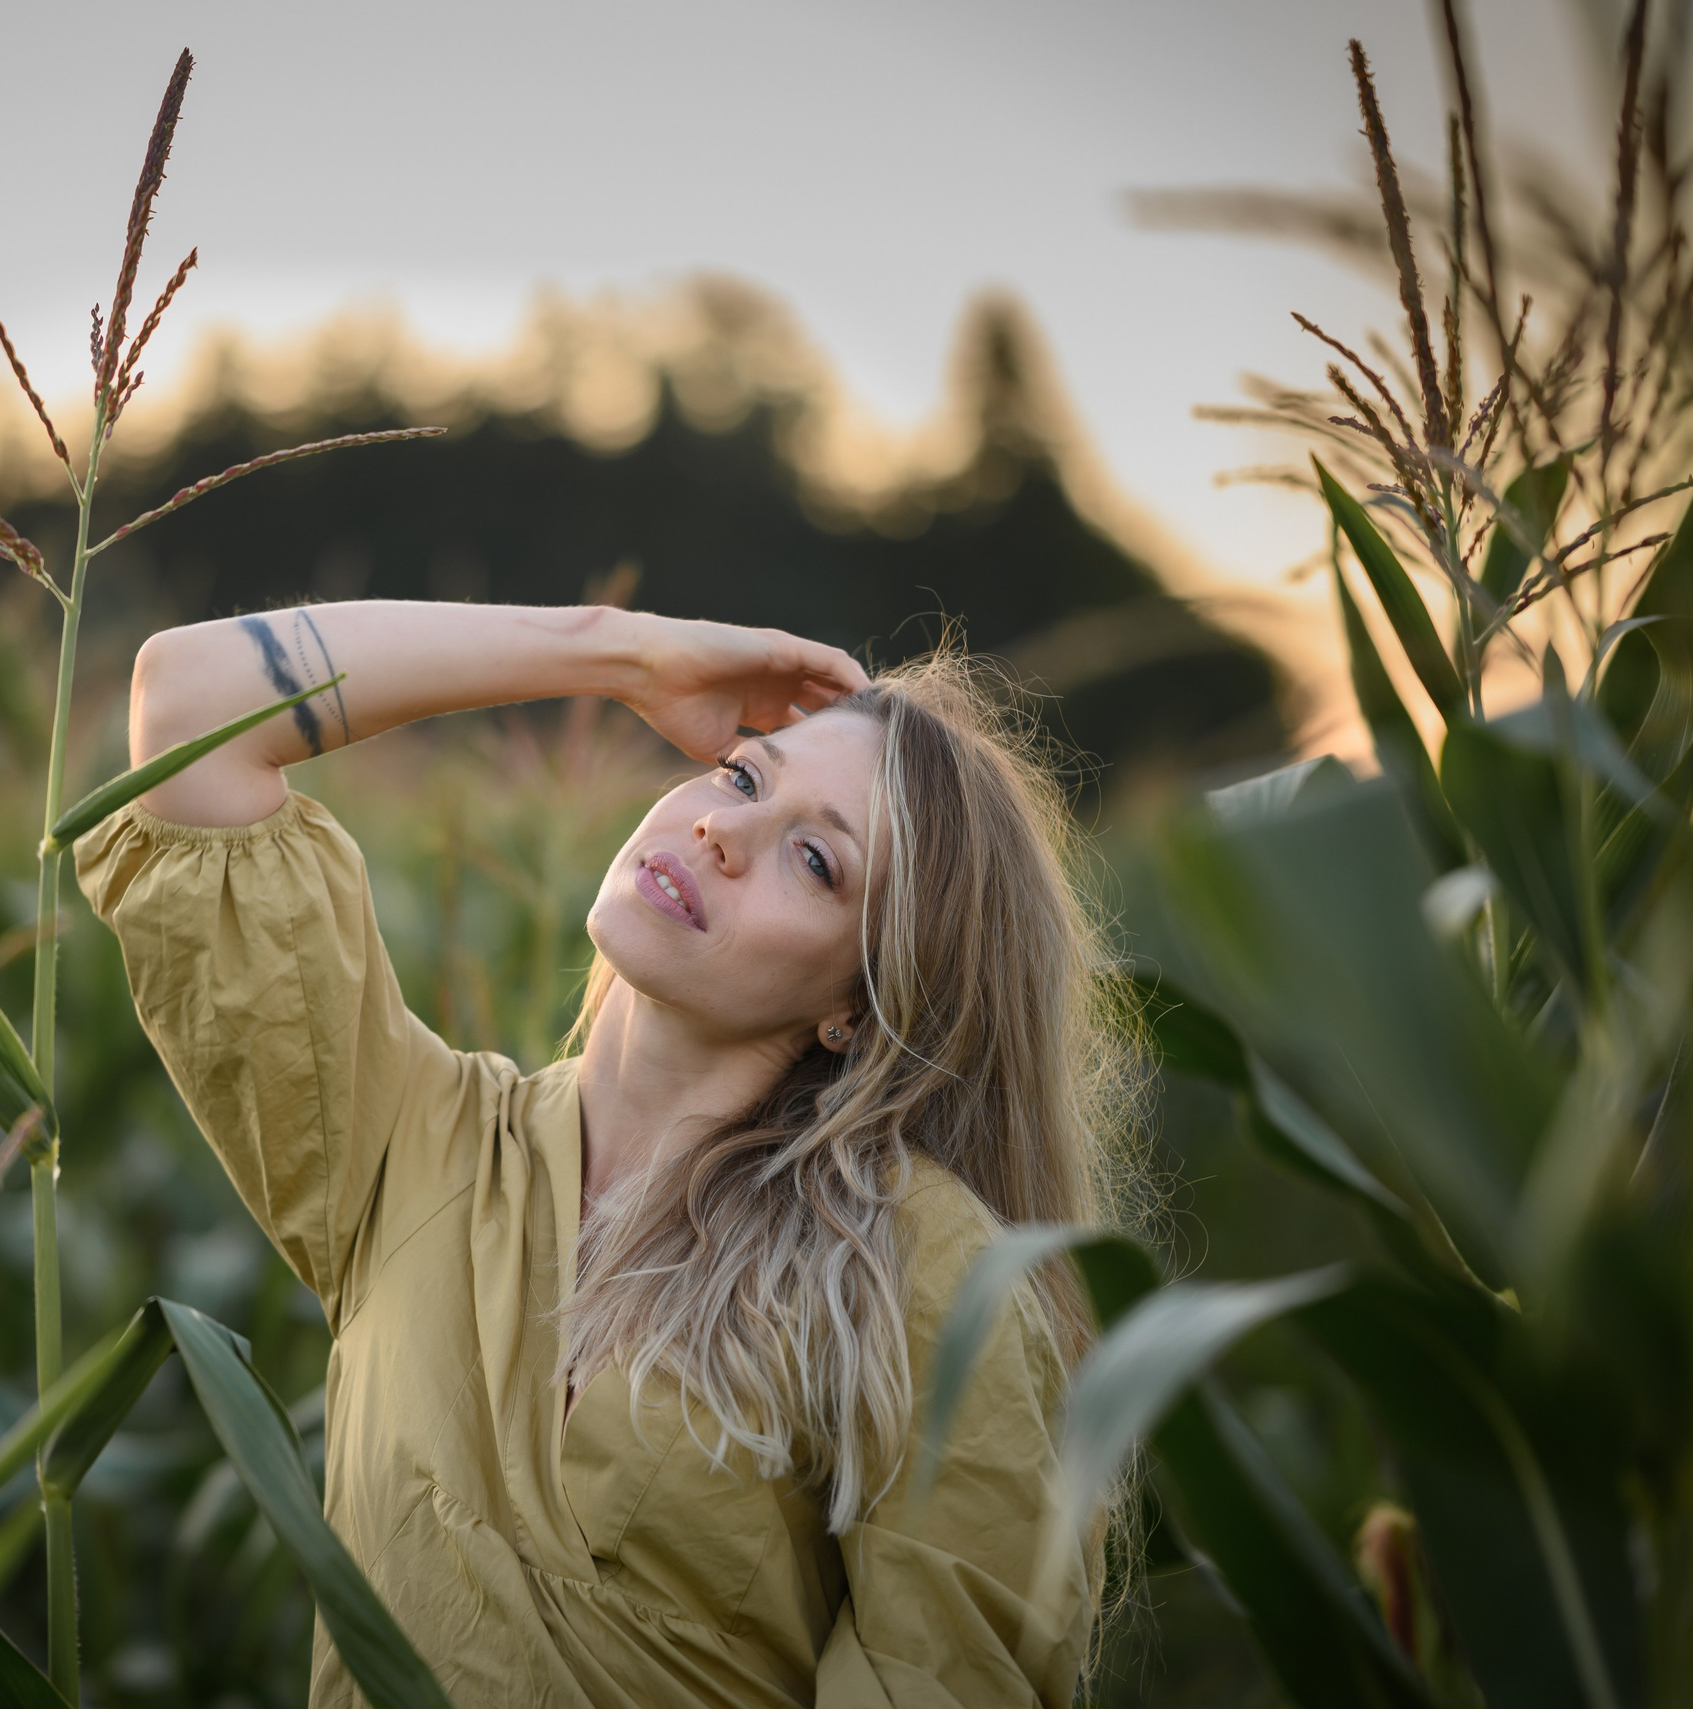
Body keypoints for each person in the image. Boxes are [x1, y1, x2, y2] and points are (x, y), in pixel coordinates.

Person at [76, 601, 1129, 1708]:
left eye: (814, 858)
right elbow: (193, 700)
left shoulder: (927, 1270)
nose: (725, 831)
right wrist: (618, 651)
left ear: (860, 1008)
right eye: (739, 777)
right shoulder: (406, 1145)